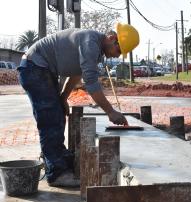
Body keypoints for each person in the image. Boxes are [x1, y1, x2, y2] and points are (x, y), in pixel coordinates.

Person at [17, 23, 139, 187]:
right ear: (112, 38)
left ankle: (55, 158)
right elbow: (92, 85)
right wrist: (111, 112)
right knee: (50, 120)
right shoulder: (91, 43)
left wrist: (63, 98)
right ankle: (57, 173)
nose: (118, 56)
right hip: (35, 68)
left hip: (40, 69)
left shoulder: (95, 47)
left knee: (57, 114)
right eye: (119, 51)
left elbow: (76, 73)